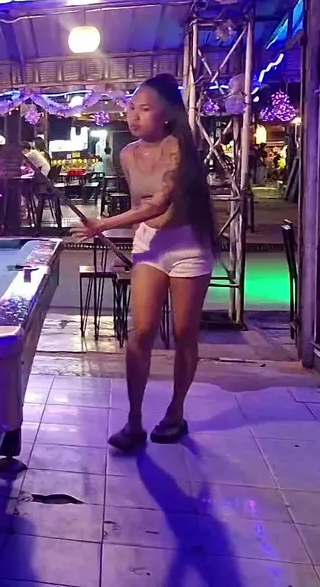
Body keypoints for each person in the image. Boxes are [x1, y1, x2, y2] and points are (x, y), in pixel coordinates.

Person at [70, 74, 216, 451]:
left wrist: (102, 224)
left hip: (189, 246)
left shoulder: (179, 147)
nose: (134, 115)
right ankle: (133, 421)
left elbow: (160, 203)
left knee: (184, 332)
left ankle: (176, 412)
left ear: (167, 114)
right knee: (142, 331)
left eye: (145, 109)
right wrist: (129, 237)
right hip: (149, 246)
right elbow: (140, 207)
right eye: (131, 107)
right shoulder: (127, 154)